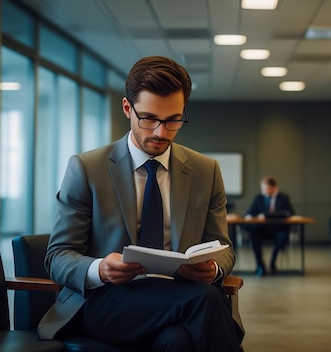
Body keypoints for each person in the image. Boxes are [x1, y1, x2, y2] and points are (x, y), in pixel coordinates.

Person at [37, 56, 244, 351]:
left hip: (178, 298)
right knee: (207, 300)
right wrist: (100, 268)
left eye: (173, 119)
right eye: (149, 118)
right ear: (127, 108)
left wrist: (212, 269)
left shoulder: (204, 170)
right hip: (106, 300)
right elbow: (57, 256)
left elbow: (224, 249)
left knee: (177, 341)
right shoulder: (86, 168)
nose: (161, 132)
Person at [244, 176, 295, 276]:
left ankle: (272, 263)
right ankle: (260, 265)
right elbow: (250, 211)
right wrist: (249, 216)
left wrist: (267, 215)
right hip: (262, 229)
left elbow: (289, 213)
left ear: (274, 187)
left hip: (278, 229)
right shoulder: (259, 197)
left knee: (282, 236)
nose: (263, 191)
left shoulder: (284, 198)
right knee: (253, 235)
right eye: (262, 189)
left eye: (265, 189)